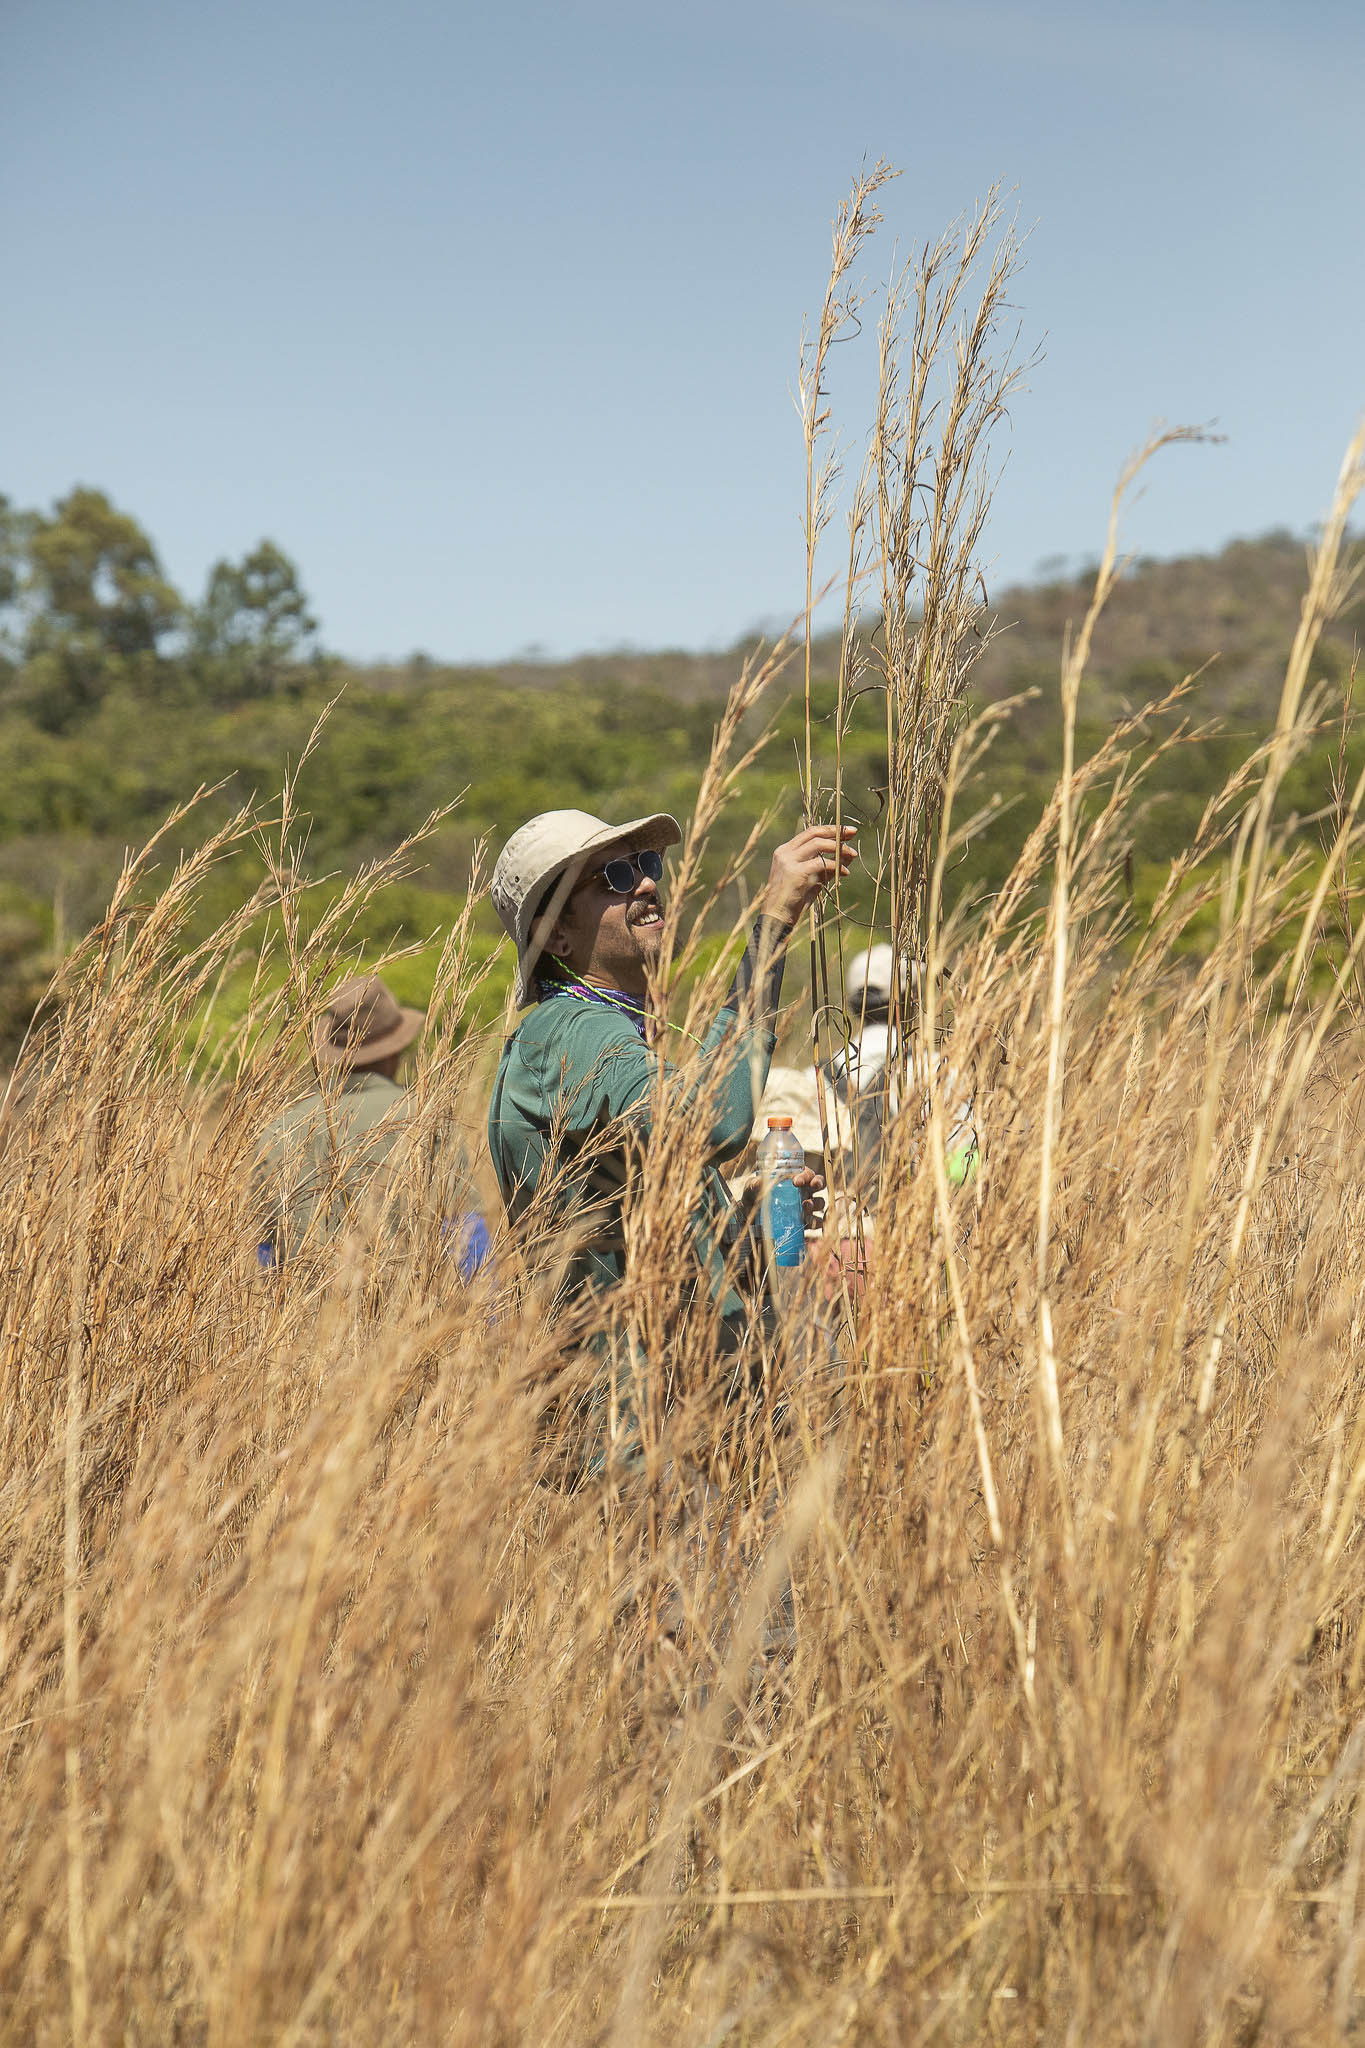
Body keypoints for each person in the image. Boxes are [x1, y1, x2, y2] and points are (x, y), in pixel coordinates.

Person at [486, 807, 855, 1406]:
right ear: (556, 934)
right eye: (613, 876)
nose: (647, 883)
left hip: (683, 1421)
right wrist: (774, 924)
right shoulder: (568, 1031)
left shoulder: (608, 1033)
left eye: (647, 863)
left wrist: (742, 1231)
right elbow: (710, 1122)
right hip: (637, 1437)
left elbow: (638, 1238)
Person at [253, 972, 491, 1274]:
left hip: (306, 1316)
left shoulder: (280, 1130)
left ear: (334, 1053)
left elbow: (266, 1253)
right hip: (411, 1315)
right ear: (395, 1049)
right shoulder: (425, 1118)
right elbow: (468, 1237)